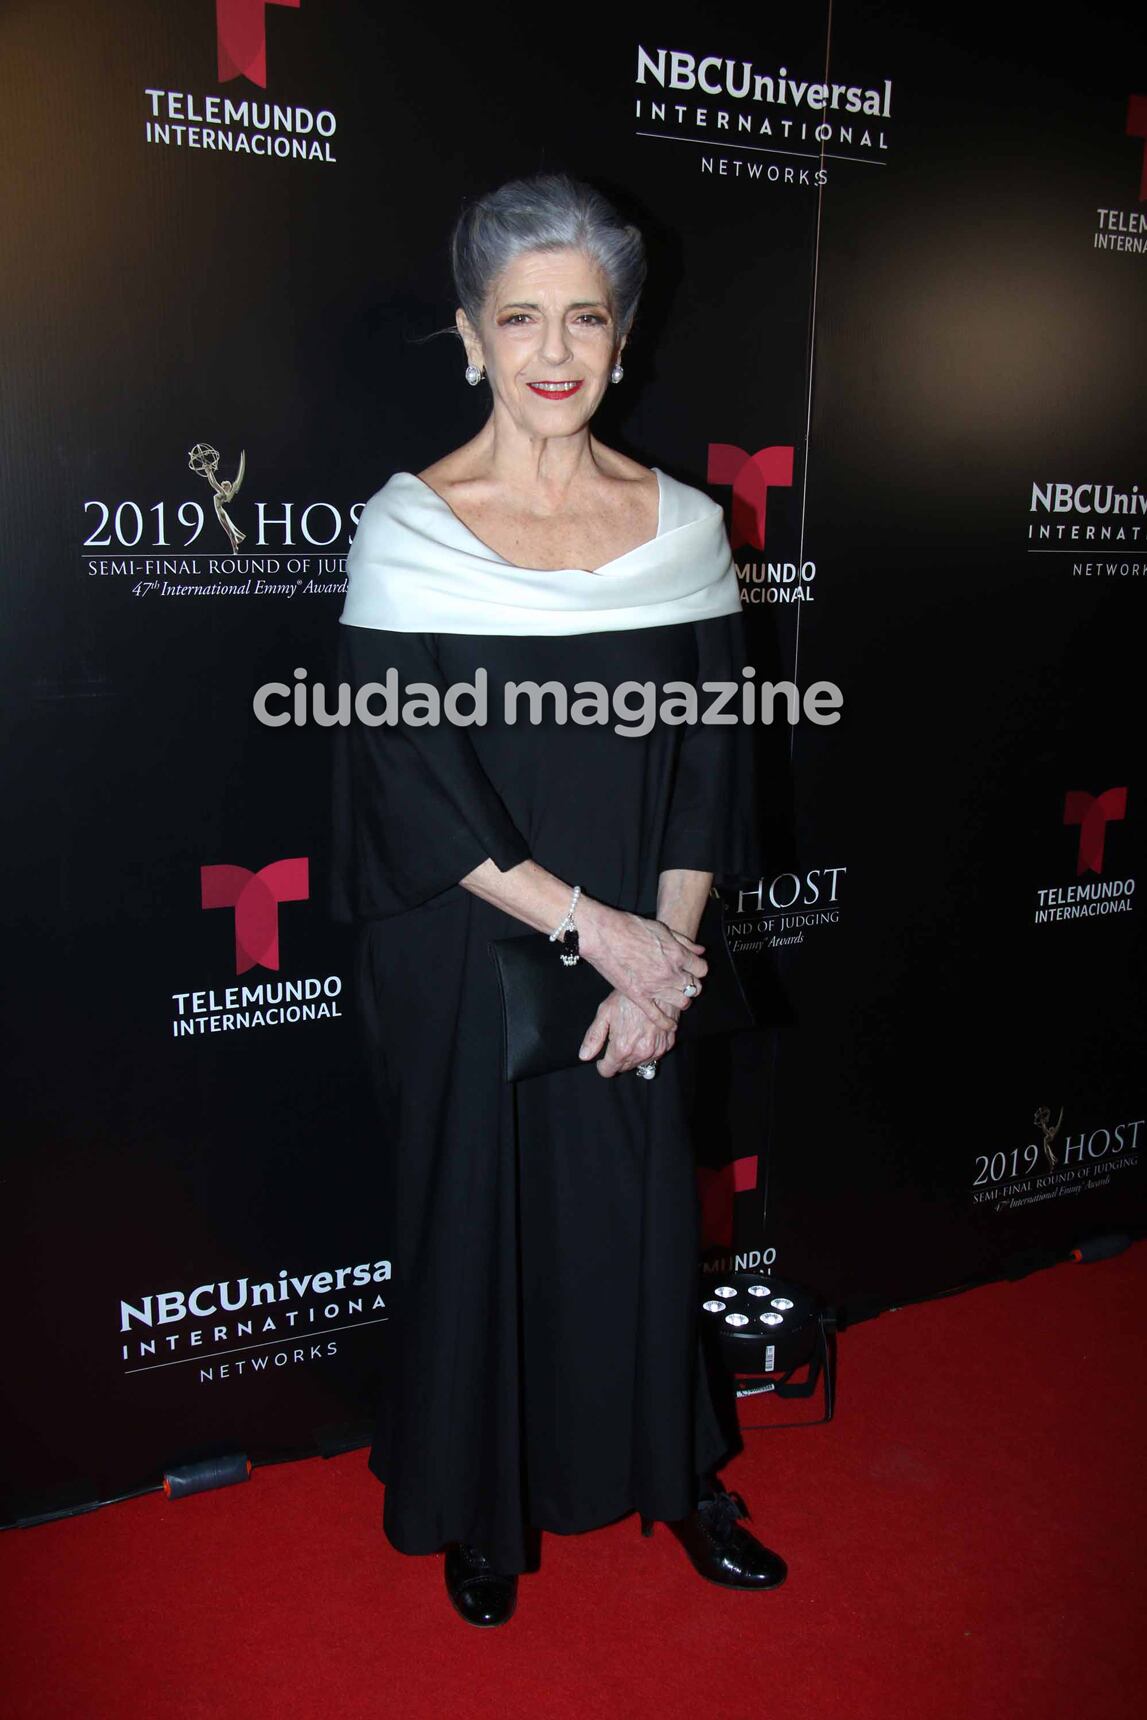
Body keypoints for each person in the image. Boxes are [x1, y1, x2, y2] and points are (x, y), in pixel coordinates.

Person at [332, 172, 786, 1626]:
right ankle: (481, 1499)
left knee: (639, 1209)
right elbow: (409, 786)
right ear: (470, 335)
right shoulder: (410, 529)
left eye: (583, 316)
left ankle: (679, 1475)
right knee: (474, 1211)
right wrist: (601, 934)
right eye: (518, 316)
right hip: (468, 940)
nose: (552, 348)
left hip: (648, 943)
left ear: (624, 336)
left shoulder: (687, 529)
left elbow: (712, 766)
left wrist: (668, 960)